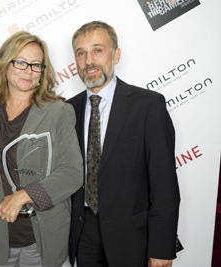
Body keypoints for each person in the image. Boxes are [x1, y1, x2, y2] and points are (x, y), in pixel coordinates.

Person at [67, 21, 180, 267]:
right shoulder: (68, 110)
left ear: (116, 54)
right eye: (81, 53)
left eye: (98, 50)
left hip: (133, 237)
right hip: (83, 235)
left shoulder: (148, 105)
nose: (89, 61)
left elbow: (165, 185)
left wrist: (161, 247)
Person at [0, 31, 83, 267]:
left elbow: (72, 173)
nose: (28, 71)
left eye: (36, 65)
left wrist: (24, 196)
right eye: (21, 62)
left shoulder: (57, 112)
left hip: (42, 238)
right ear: (5, 63)